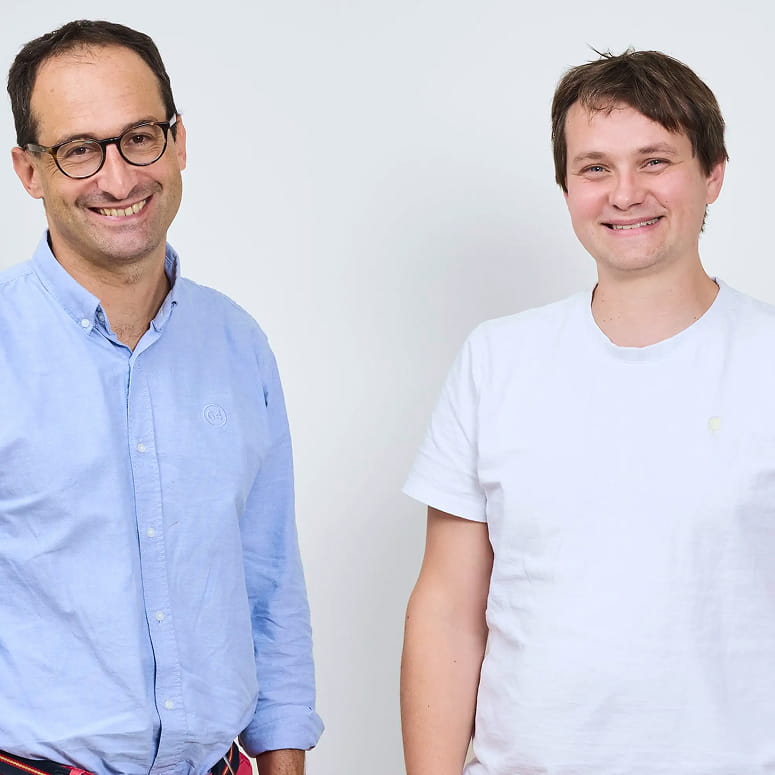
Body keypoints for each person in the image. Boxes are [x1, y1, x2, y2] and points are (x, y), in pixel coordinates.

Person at [401, 49, 775, 775]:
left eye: (655, 160)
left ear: (713, 174)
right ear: (566, 185)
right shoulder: (497, 360)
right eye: (594, 167)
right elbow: (446, 608)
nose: (623, 192)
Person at [0, 19, 322, 775]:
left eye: (139, 136)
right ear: (29, 170)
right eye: (79, 149)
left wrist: (284, 757)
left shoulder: (238, 344)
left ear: (178, 142)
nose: (118, 178)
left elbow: (270, 583)